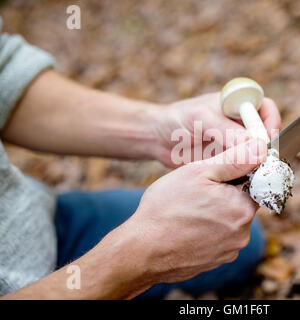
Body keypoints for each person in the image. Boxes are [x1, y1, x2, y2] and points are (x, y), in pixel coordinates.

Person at [0, 18, 281, 299]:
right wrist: (141, 257)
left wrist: (156, 128)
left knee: (242, 241)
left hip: (35, 218)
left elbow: (6, 72)